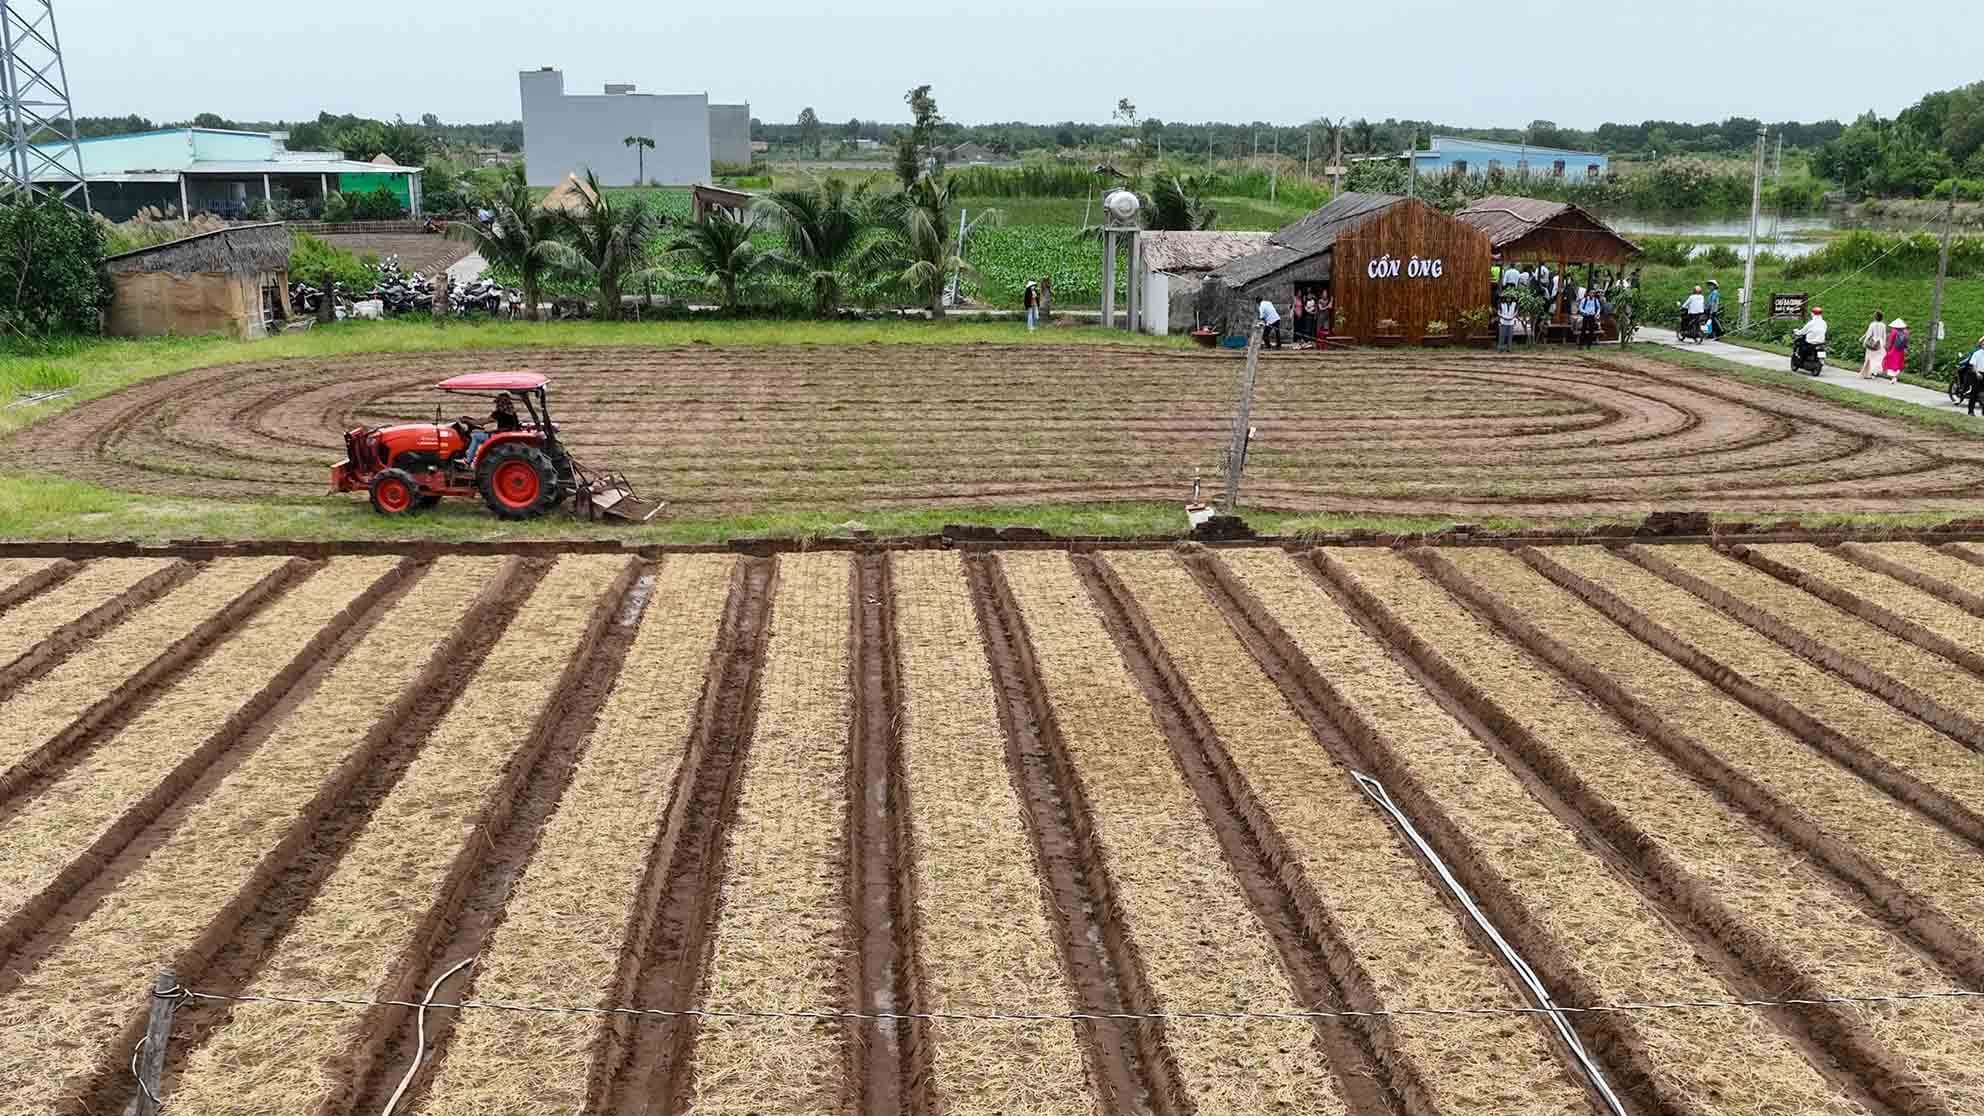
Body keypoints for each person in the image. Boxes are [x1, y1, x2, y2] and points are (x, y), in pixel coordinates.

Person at [458, 392, 522, 467]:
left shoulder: (500, 412)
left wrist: (467, 421)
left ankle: (467, 461)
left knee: (475, 436)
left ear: (501, 403)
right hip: (506, 435)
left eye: (497, 403)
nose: (496, 405)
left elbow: (483, 422)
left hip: (502, 437)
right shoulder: (511, 412)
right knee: (482, 433)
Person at [1859, 311, 1886, 379]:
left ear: (1875, 317)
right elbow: (1884, 335)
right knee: (1878, 359)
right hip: (1880, 343)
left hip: (1872, 343)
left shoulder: (1872, 324)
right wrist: (1884, 343)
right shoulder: (1883, 325)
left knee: (1869, 359)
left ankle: (1867, 373)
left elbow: (1869, 334)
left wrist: (1864, 341)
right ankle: (1875, 373)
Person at [1962, 335, 1984, 416]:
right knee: (1974, 393)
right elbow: (1973, 365)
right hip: (1977, 374)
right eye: (1983, 343)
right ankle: (1970, 411)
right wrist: (1977, 373)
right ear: (1981, 344)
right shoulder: (1977, 353)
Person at [1883, 317, 1908, 383]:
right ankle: (1895, 377)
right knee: (1898, 363)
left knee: (1891, 363)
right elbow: (1906, 342)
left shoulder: (1894, 332)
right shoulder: (1905, 332)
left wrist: (1888, 348)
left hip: (1894, 350)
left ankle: (1893, 378)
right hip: (1901, 350)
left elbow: (1890, 342)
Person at [1496, 287, 1519, 353]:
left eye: (1509, 298)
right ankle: (1500, 349)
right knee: (1502, 336)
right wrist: (1503, 317)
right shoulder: (1501, 304)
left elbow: (1516, 312)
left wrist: (1513, 316)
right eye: (1507, 298)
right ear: (1505, 298)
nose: (1508, 299)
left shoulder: (1514, 304)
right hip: (1503, 322)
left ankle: (1509, 349)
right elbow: (1498, 312)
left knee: (1510, 337)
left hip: (1511, 322)